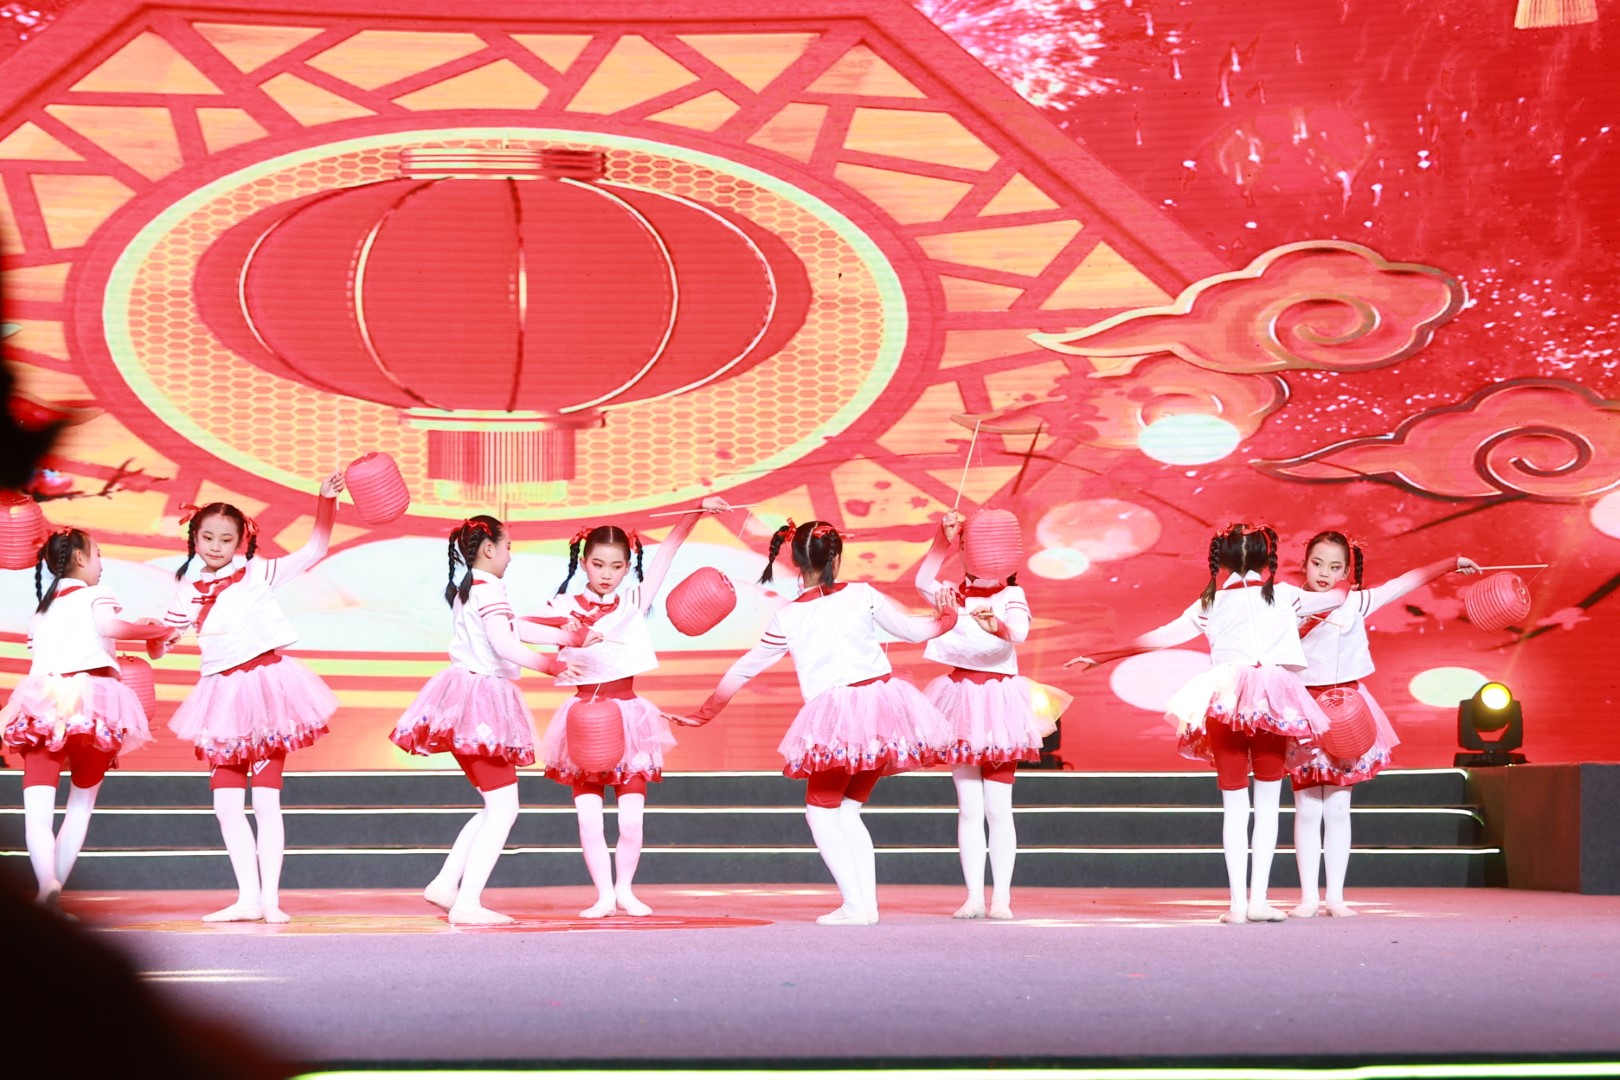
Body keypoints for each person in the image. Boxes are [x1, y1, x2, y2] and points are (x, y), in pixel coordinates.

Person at [1065, 523, 1349, 924]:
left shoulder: (1210, 602)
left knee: (1234, 805)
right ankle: (1259, 901)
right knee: (1268, 805)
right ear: (1268, 559)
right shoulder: (1285, 595)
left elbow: (1159, 637)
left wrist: (1102, 655)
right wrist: (1346, 573)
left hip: (1224, 702)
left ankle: (1236, 906)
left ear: (1223, 559)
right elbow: (1337, 596)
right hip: (1272, 702)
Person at [680, 520, 958, 925]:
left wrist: (704, 713)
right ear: (836, 558)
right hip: (882, 711)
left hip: (837, 720)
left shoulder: (788, 617)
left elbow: (744, 669)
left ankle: (856, 906)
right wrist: (948, 613)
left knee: (821, 812)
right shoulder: (863, 594)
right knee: (847, 812)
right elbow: (919, 631)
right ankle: (865, 906)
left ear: (795, 561)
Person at [161, 475, 344, 923]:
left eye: (226, 539)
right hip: (219, 700)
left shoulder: (259, 571)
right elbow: (167, 637)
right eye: (207, 537)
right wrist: (143, 636)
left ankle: (270, 900)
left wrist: (325, 500)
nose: (216, 546)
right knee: (225, 805)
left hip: (264, 695)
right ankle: (247, 898)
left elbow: (315, 549)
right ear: (194, 537)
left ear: (242, 541)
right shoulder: (185, 586)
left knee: (265, 800)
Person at [536, 497, 728, 917]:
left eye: (616, 566)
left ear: (627, 567)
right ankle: (603, 895)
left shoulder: (635, 600)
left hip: (629, 716)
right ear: (583, 562)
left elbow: (669, 550)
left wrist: (697, 510)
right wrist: (563, 635)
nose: (606, 574)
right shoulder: (563, 605)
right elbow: (520, 629)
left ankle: (624, 889)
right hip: (583, 717)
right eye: (598, 564)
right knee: (589, 820)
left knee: (631, 819)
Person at [391, 515, 581, 926]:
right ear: (490, 548)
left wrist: (566, 635)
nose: (511, 556)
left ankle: (447, 885)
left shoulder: (472, 587)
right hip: (480, 704)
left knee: (495, 806)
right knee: (504, 808)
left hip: (463, 701)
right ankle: (467, 902)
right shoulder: (488, 588)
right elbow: (504, 643)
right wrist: (552, 665)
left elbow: (511, 628)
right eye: (508, 546)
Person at [1289, 531, 1480, 917]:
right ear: (1304, 563)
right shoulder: (1287, 602)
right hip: (1305, 709)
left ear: (1347, 570)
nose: (1325, 573)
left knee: (1338, 807)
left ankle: (1335, 897)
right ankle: (1308, 897)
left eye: (1335, 567)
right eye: (1317, 563)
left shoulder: (1356, 602)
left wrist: (1451, 562)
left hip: (1347, 712)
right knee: (1307, 807)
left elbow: (1406, 581)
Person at [2, 528, 174, 907]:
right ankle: (52, 894)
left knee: (37, 810)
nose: (101, 563)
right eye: (97, 554)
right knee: (80, 805)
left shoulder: (40, 613)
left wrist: (9, 712)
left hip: (44, 705)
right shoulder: (97, 593)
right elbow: (110, 628)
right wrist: (157, 628)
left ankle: (46, 882)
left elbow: (40, 666)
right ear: (80, 558)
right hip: (94, 706)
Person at [915, 510, 1042, 920]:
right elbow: (922, 581)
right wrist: (943, 537)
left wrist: (996, 627)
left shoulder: (1012, 595)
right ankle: (973, 896)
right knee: (969, 807)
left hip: (1000, 706)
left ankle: (1001, 897)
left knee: (998, 808)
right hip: (961, 704)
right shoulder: (951, 594)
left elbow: (1019, 632)